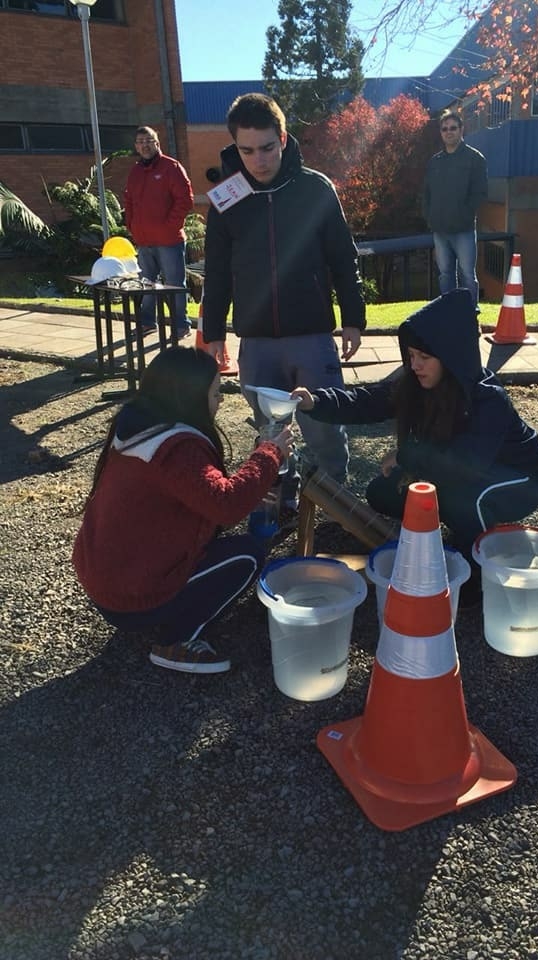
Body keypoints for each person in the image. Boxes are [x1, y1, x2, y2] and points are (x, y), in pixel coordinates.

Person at [292, 289, 538, 601]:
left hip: (520, 476)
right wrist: (316, 402)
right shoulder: (417, 384)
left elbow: (466, 465)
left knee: (467, 499)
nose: (415, 365)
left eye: (424, 358)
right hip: (465, 469)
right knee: (383, 491)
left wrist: (407, 455)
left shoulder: (487, 399)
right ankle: (455, 531)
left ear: (452, 356)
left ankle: (478, 575)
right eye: (412, 356)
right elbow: (367, 401)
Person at [72, 346, 294, 675]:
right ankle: (177, 641)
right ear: (188, 396)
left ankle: (152, 607)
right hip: (130, 596)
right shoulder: (175, 448)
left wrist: (258, 462)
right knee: (248, 555)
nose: (220, 401)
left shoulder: (138, 428)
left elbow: (203, 489)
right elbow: (226, 504)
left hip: (106, 583)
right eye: (216, 392)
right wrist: (269, 455)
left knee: (228, 545)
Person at [201, 93, 366, 518]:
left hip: (311, 334)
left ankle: (335, 505)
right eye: (247, 150)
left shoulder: (315, 188)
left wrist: (353, 318)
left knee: (323, 427)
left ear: (283, 137)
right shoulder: (226, 198)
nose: (259, 159)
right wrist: (215, 332)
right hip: (256, 340)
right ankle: (280, 499)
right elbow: (217, 271)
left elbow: (342, 257)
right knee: (270, 433)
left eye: (268, 147)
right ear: (235, 146)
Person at [123, 126, 194, 339]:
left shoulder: (171, 167)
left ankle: (181, 325)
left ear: (157, 143)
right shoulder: (135, 171)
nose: (144, 145)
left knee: (173, 284)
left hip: (169, 241)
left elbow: (185, 200)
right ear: (136, 146)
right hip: (144, 241)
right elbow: (129, 200)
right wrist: (132, 225)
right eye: (140, 141)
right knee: (146, 284)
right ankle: (147, 323)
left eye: (148, 140)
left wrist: (169, 226)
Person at [422, 110, 488, 308]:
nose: (448, 132)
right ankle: (450, 316)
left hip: (464, 229)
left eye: (453, 128)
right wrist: (430, 217)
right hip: (440, 230)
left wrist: (464, 216)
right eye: (444, 129)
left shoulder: (475, 159)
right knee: (445, 275)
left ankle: (470, 315)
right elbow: (426, 193)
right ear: (440, 132)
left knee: (467, 275)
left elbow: (480, 193)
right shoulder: (435, 162)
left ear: (461, 129)